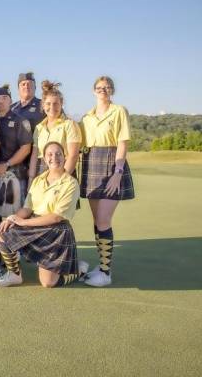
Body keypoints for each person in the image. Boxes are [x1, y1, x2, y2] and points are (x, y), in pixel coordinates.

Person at [0, 142, 89, 288]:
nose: (54, 158)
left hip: (57, 231)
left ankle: (79, 270)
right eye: (49, 154)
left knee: (48, 283)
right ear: (44, 158)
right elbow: (27, 208)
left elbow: (56, 217)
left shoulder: (71, 183)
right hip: (35, 225)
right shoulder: (38, 180)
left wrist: (23, 223)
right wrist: (13, 218)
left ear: (65, 157)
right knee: (3, 231)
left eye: (58, 154)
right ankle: (14, 274)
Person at [80, 76, 135, 287]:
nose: (103, 90)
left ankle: (105, 272)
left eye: (107, 87)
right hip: (91, 164)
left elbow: (122, 142)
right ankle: (101, 265)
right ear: (94, 91)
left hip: (113, 164)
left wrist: (118, 172)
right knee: (97, 221)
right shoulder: (86, 116)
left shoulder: (119, 111)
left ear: (111, 90)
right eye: (99, 87)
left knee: (104, 220)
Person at [0, 84, 33, 215]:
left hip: (16, 173)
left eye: (4, 97)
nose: (0, 101)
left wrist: (7, 164)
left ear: (10, 100)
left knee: (16, 216)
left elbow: (26, 148)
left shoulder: (20, 121)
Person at [29, 81, 82, 181]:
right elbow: (35, 156)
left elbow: (73, 156)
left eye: (56, 104)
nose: (52, 107)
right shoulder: (39, 128)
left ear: (61, 104)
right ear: (43, 105)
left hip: (64, 172)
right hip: (41, 174)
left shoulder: (70, 125)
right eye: (48, 104)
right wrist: (31, 179)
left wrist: (61, 180)